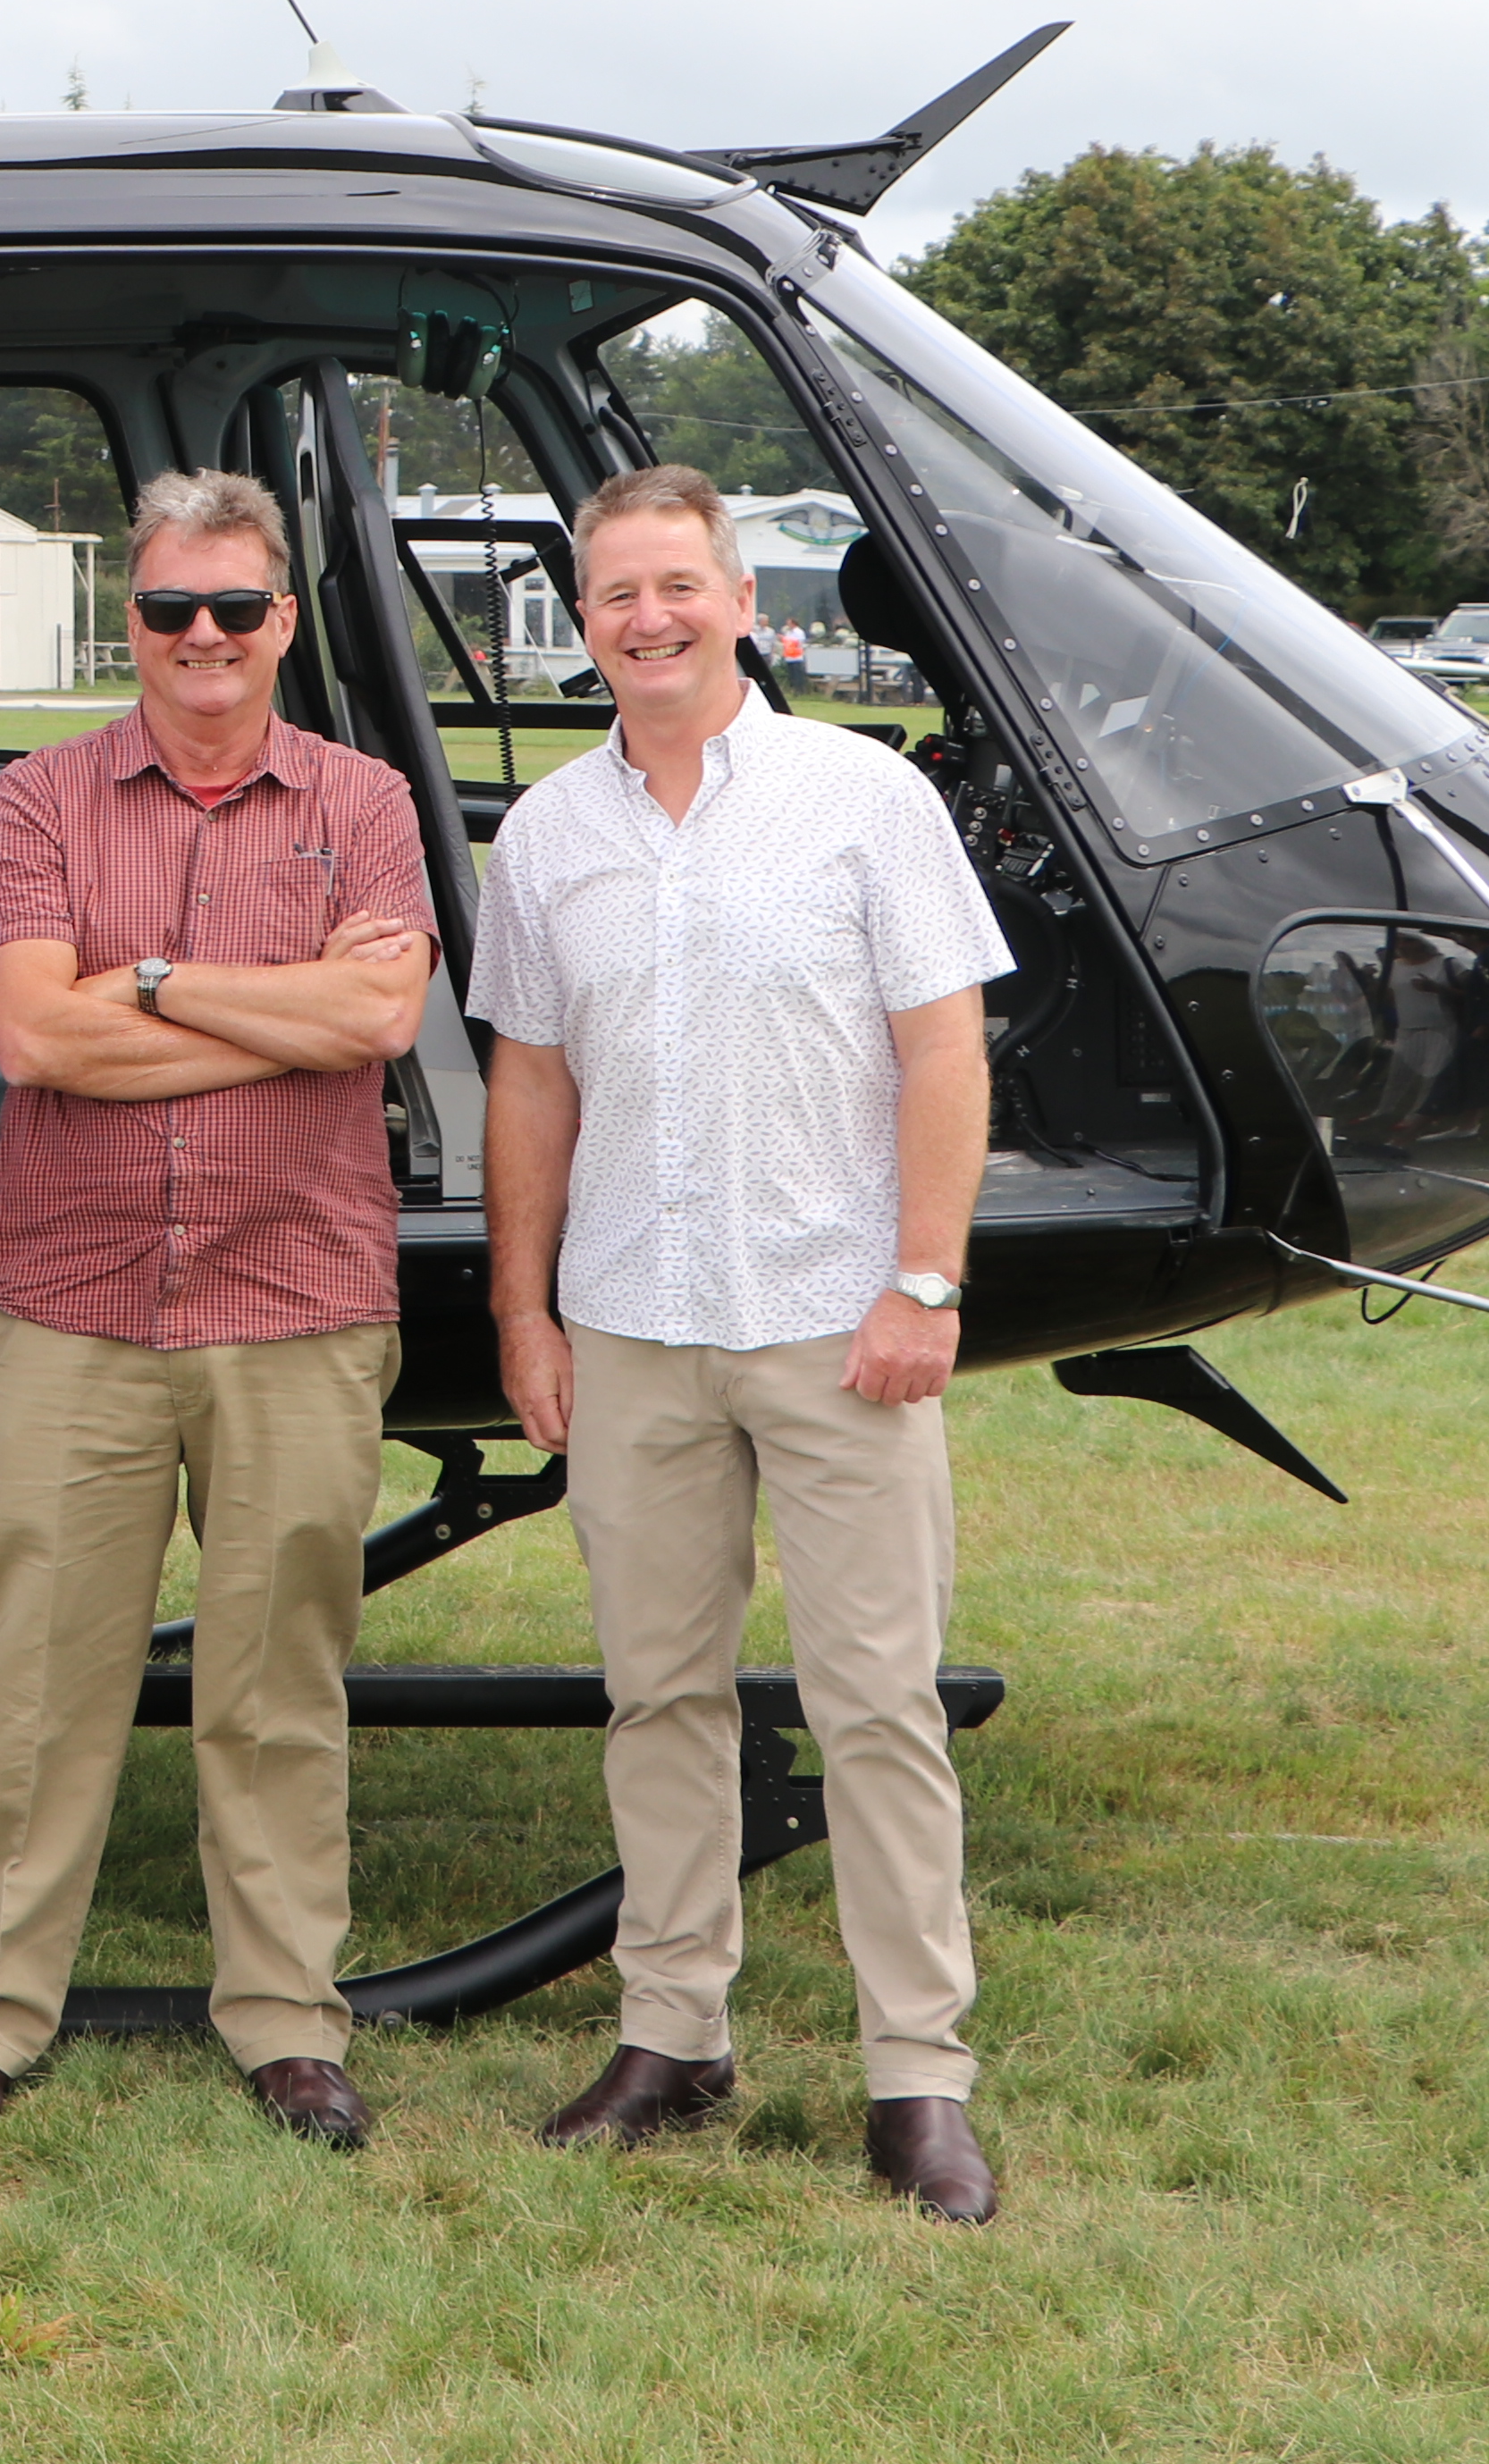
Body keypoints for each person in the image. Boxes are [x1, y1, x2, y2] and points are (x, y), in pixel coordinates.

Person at [481, 464, 1013, 2222]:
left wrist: (923, 1281)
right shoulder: (547, 833)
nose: (647, 618)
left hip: (833, 1319)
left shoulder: (863, 798)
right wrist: (523, 1304)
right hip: (632, 1324)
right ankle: (673, 2033)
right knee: (658, 1696)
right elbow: (531, 1084)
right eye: (614, 592)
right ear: (585, 610)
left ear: (736, 594)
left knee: (876, 1706)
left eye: (675, 586)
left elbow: (946, 1050)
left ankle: (916, 2077)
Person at [0, 467, 433, 2144]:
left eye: (234, 608)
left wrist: (144, 982)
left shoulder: (363, 801)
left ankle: (286, 2016)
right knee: (33, 1671)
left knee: (280, 1677)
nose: (200, 638)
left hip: (295, 1292)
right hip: (78, 1297)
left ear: (284, 620)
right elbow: (39, 1042)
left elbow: (383, 1020)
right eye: (166, 608)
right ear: (124, 618)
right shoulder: (47, 797)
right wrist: (283, 1015)